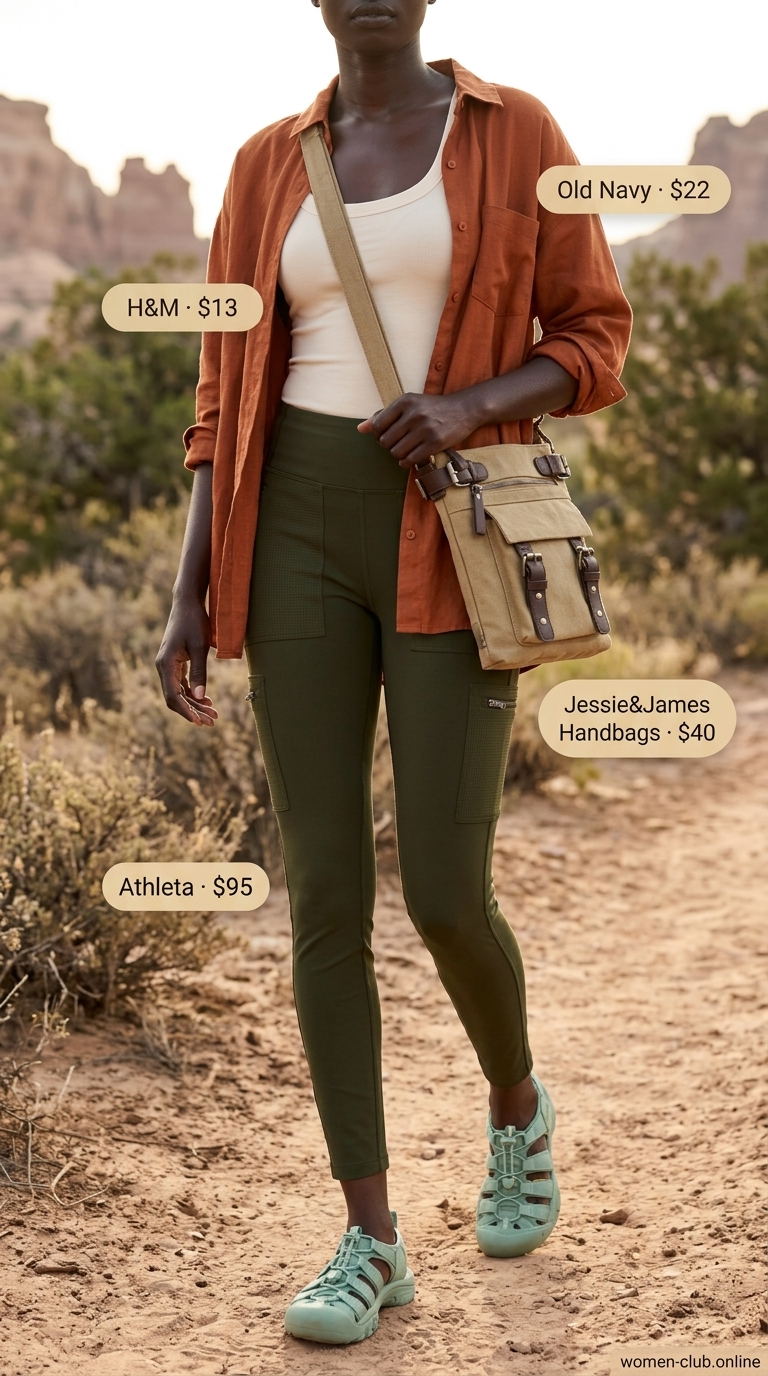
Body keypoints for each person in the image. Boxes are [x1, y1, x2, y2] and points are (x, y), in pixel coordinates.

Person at [156, 0, 631, 1347]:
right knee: (322, 887)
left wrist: (469, 405)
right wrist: (193, 588)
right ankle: (370, 1237)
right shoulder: (264, 163)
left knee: (443, 887)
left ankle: (516, 1106)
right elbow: (221, 393)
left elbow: (594, 335)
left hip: (453, 527)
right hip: (288, 532)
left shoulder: (518, 132)